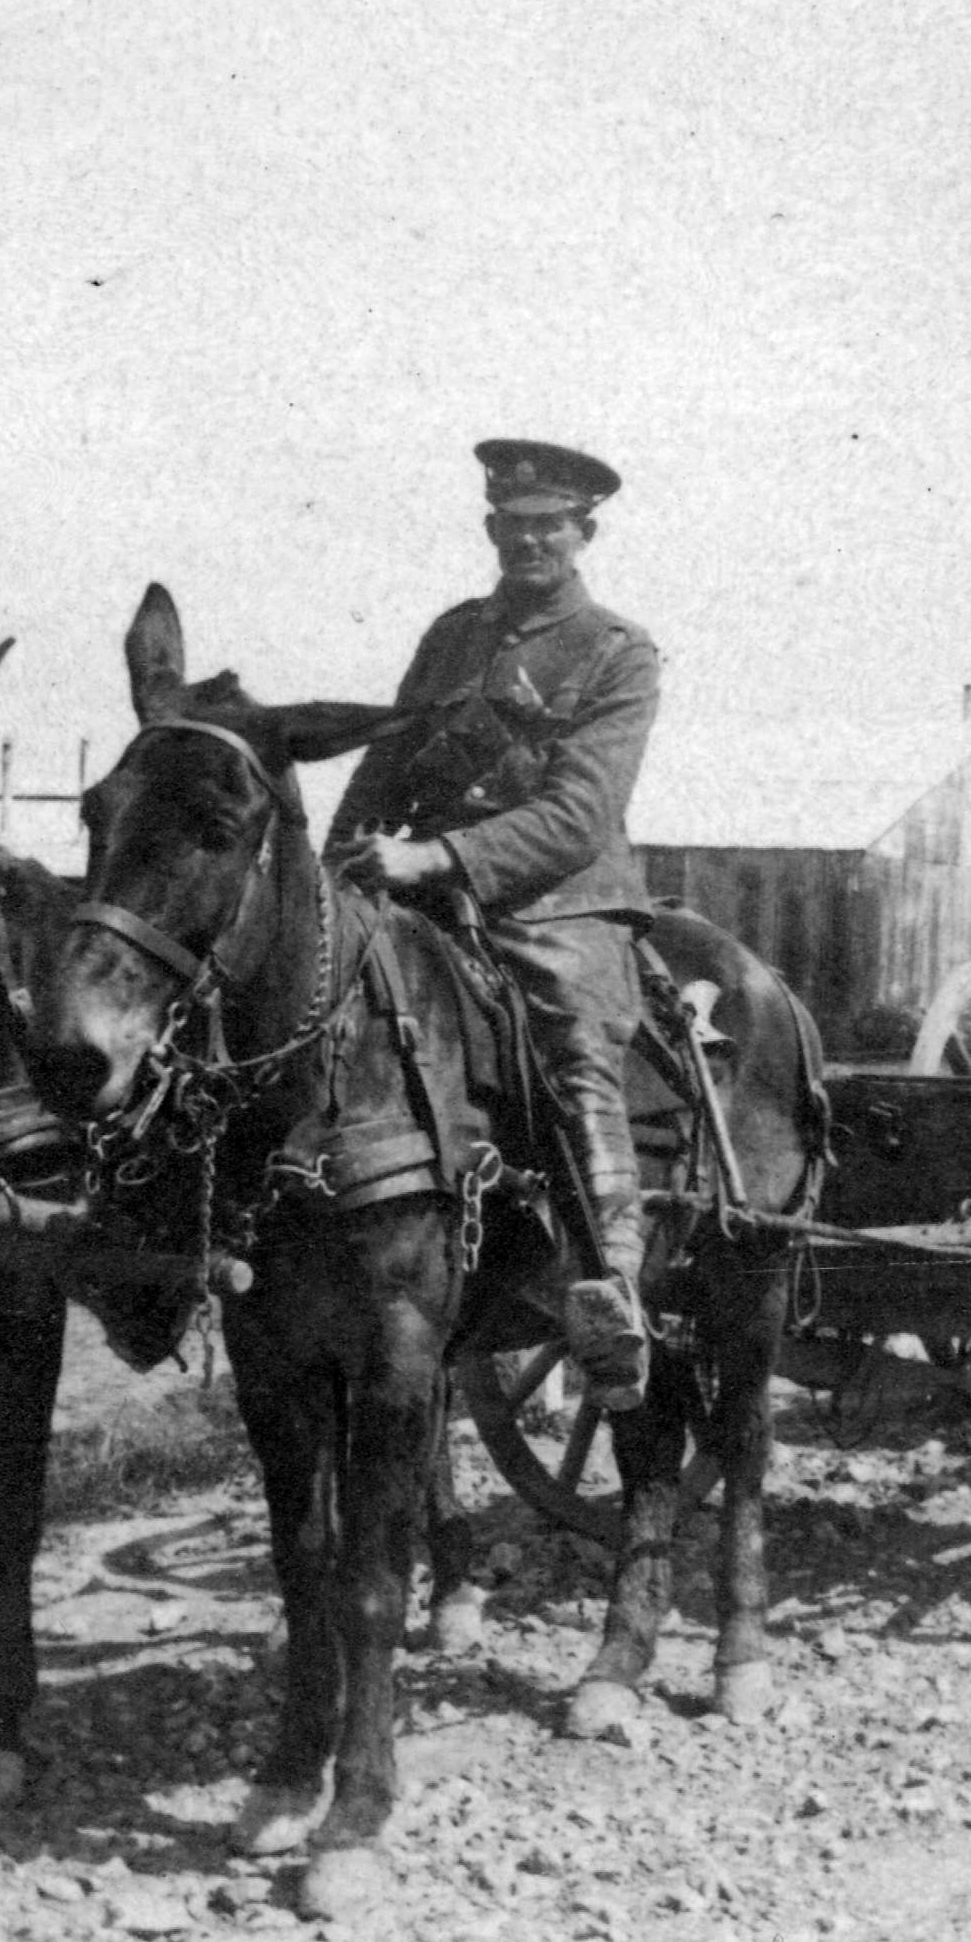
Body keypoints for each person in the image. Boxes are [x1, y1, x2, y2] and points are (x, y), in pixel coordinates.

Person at [326, 439, 661, 1415]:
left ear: (583, 531)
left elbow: (579, 812)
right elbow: (387, 761)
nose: (530, 540)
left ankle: (607, 1286)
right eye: (513, 524)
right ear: (491, 529)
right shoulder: (452, 638)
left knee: (570, 1038)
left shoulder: (617, 650)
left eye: (549, 525)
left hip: (561, 900)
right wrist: (336, 865)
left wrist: (441, 858)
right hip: (426, 895)